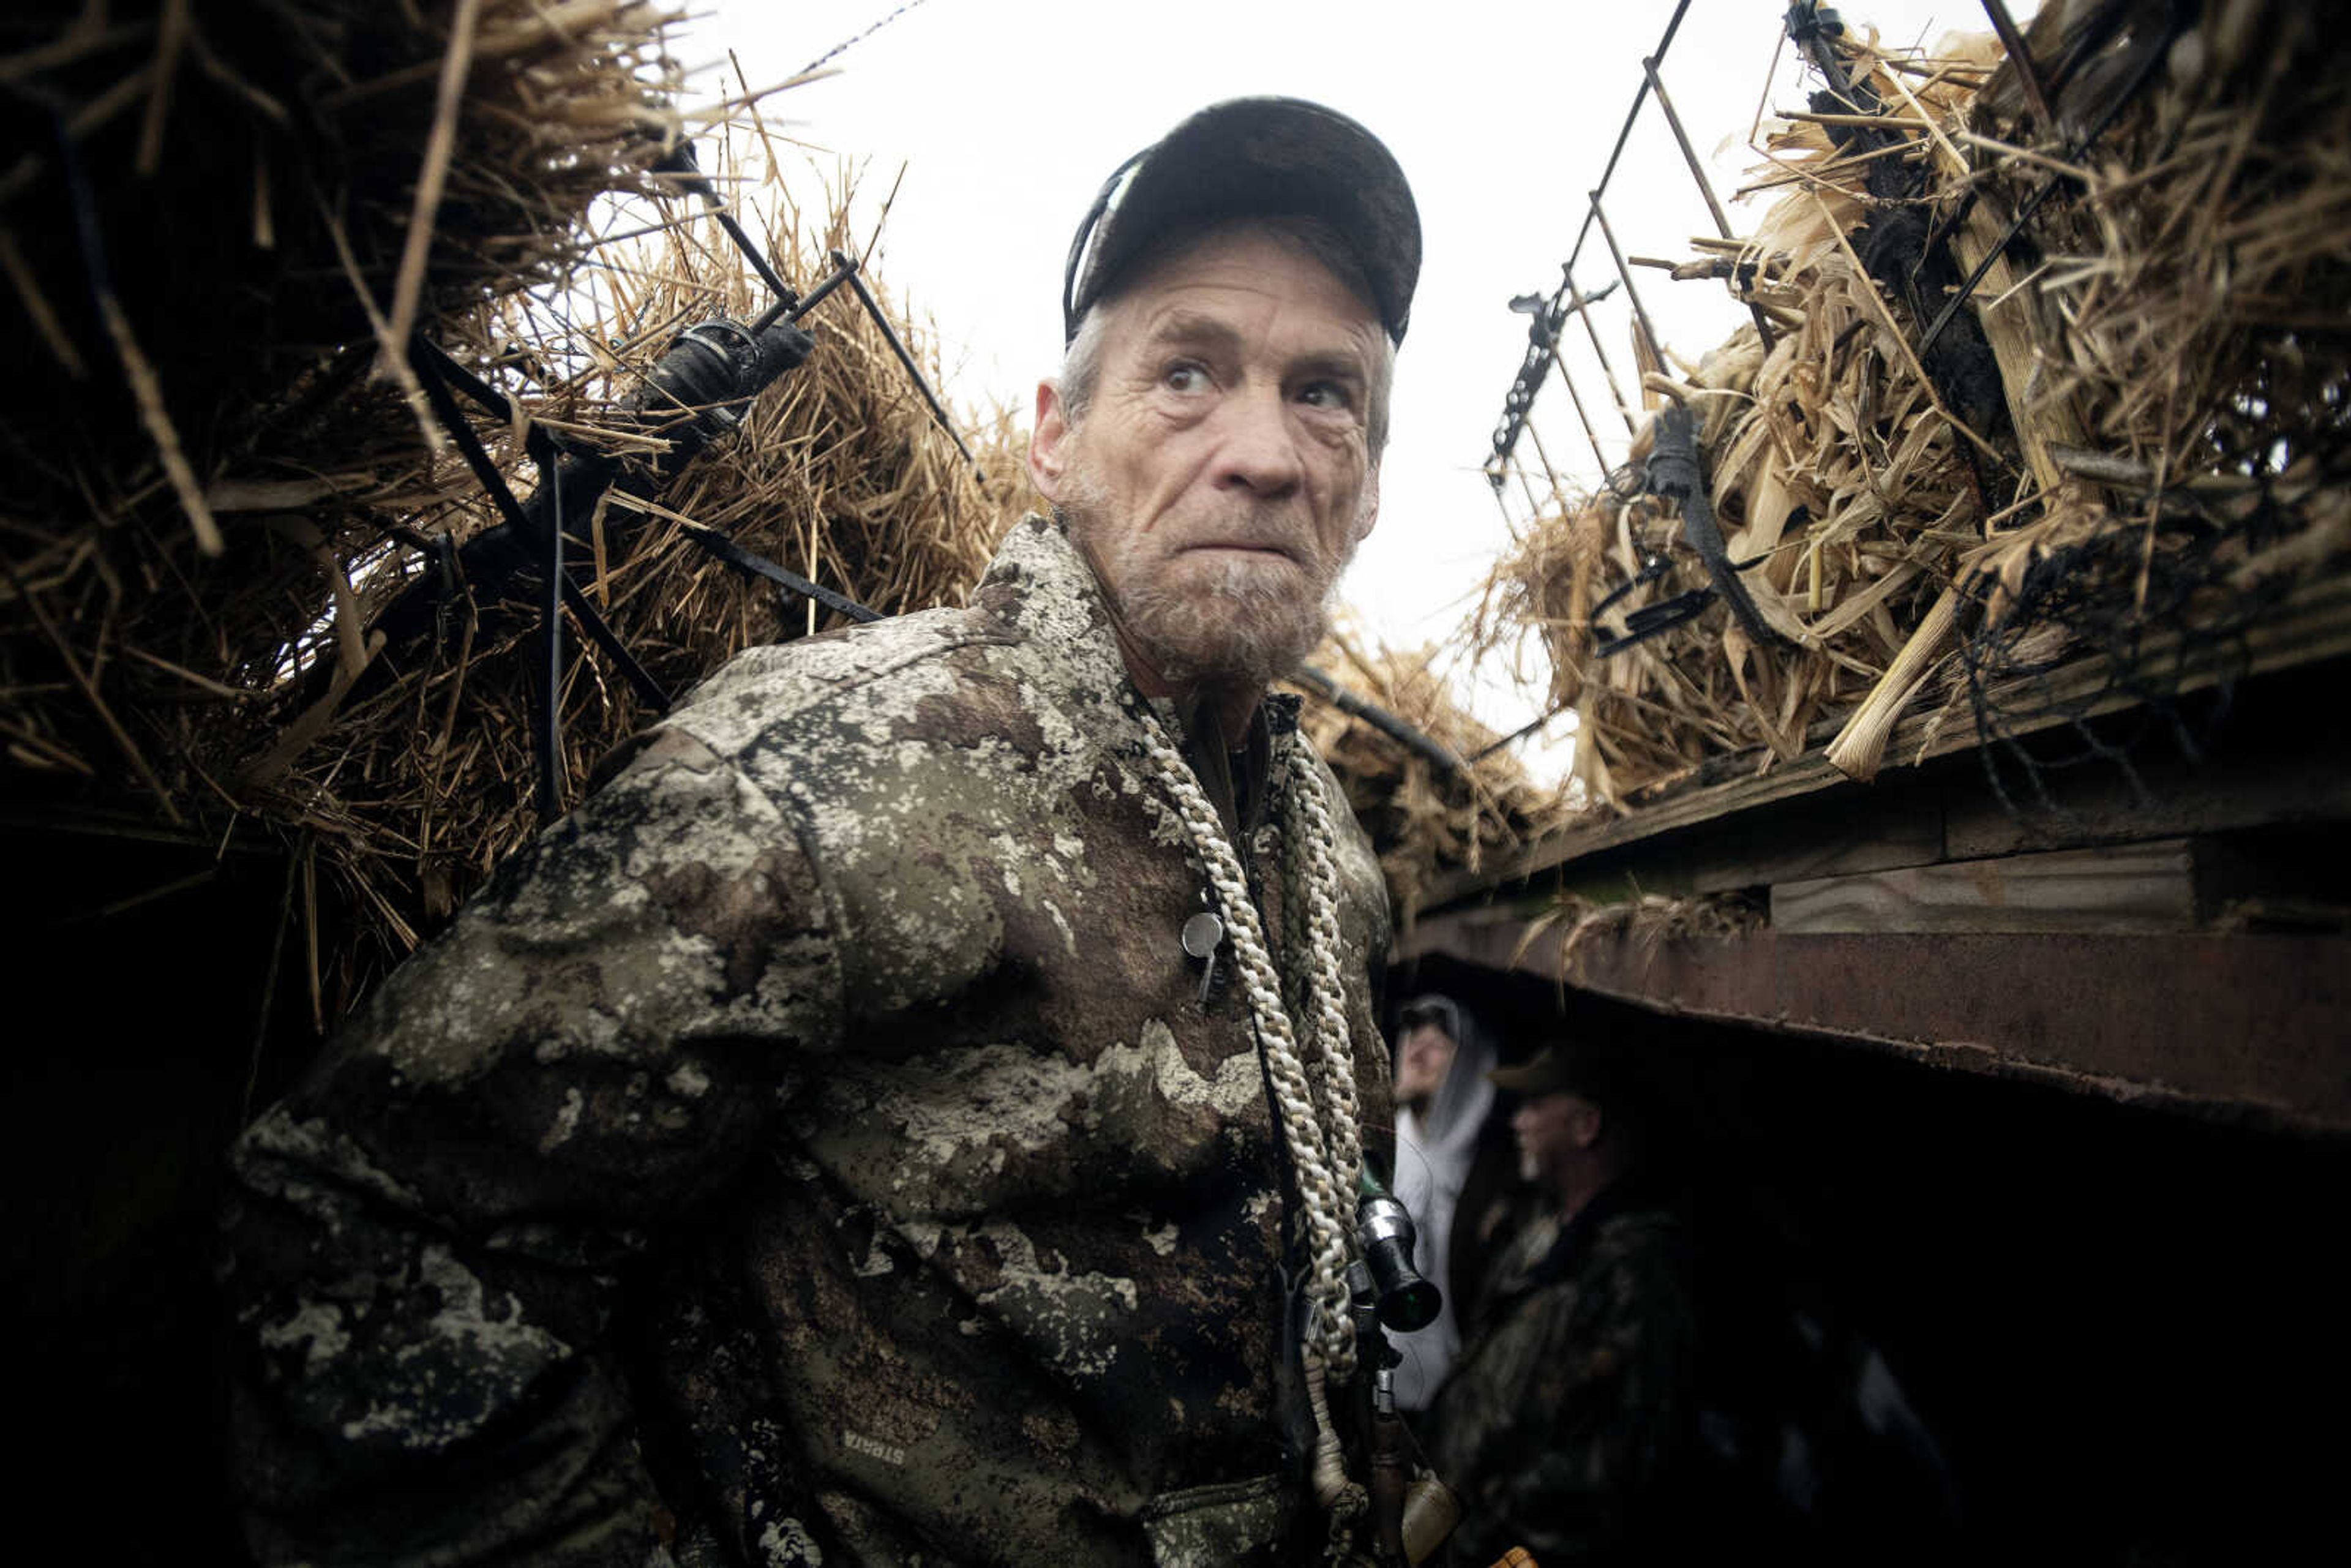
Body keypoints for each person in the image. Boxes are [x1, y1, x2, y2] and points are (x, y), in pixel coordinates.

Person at [220, 98, 1422, 1567]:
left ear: (1366, 484)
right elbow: (350, 1234)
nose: (1265, 453)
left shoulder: (1330, 862)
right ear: (1053, 440)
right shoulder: (817, 774)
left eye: (1326, 394)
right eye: (1186, 371)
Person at [1430, 1045, 1698, 1566]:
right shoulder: (1543, 1229)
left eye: (1534, 1104)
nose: (1518, 1121)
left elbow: (1615, 1466)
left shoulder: (1639, 1270)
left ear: (1585, 1126)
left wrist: (1488, 1535)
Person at [1385, 994, 1520, 1417]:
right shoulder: (1377, 1146)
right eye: (1412, 1036)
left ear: (1468, 1067)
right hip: (1376, 1384)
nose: (1416, 1050)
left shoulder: (1498, 1175)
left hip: (1453, 1400)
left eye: (1439, 1044)